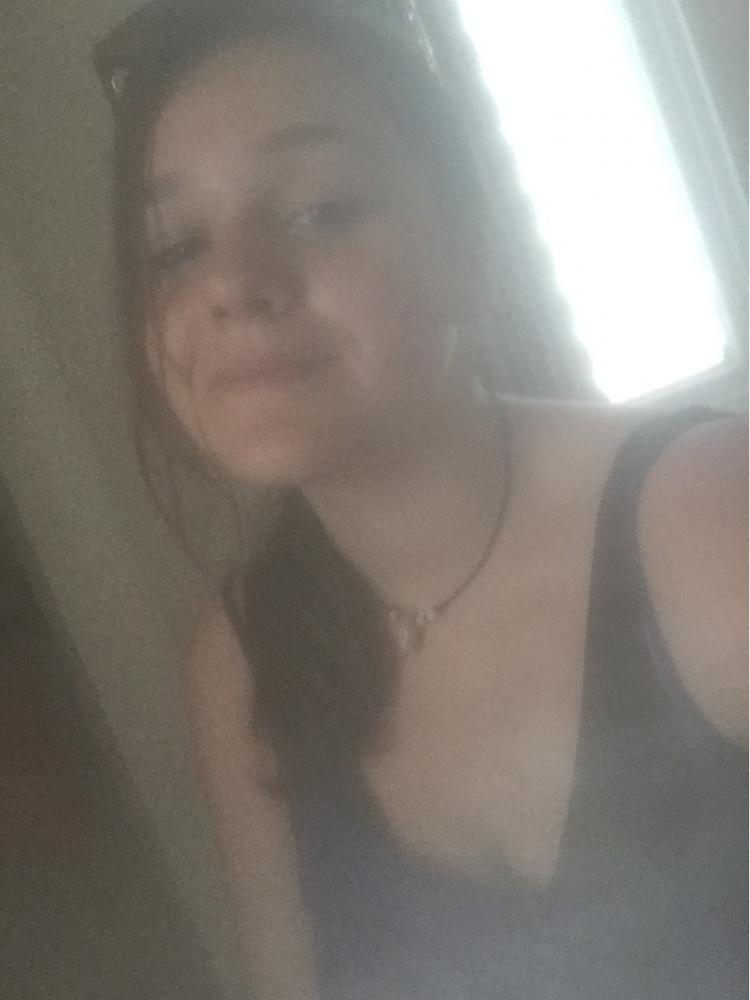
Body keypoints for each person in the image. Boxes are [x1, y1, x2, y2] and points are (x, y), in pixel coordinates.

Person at [94, 1, 747, 997]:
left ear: (471, 247)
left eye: (319, 209)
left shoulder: (706, 518)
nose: (231, 283)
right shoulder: (239, 665)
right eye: (176, 246)